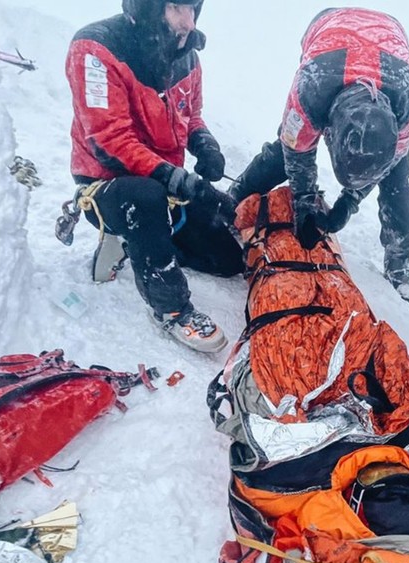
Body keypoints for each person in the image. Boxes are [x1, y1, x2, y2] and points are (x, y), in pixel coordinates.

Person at [65, 0, 242, 353]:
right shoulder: (96, 49)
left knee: (227, 261)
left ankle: (143, 241)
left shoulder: (187, 55)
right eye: (177, 8)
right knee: (143, 197)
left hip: (165, 183)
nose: (188, 22)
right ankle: (171, 307)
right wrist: (174, 178)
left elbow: (191, 117)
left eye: (193, 9)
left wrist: (205, 144)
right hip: (111, 187)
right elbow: (109, 140)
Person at [228, 7, 409, 304]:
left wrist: (349, 201)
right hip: (328, 32)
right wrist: (304, 202)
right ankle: (235, 198)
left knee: (397, 184)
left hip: (389, 44)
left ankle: (399, 260)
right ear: (330, 132)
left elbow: (390, 163)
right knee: (286, 147)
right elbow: (298, 152)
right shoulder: (310, 92)